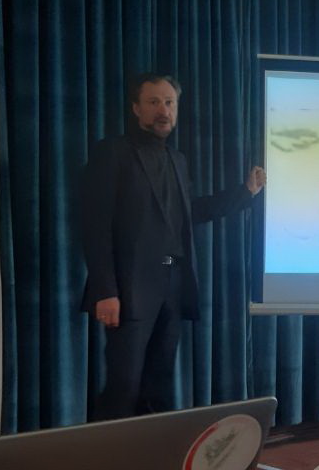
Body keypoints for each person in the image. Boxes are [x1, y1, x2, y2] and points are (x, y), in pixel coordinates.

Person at [82, 73, 265, 421]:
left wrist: (245, 193)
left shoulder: (177, 159)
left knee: (159, 385)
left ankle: (152, 452)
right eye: (153, 102)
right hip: (129, 289)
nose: (163, 110)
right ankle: (109, 453)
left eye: (169, 103)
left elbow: (189, 213)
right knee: (124, 385)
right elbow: (95, 225)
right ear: (136, 108)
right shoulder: (113, 152)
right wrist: (105, 291)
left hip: (173, 285)